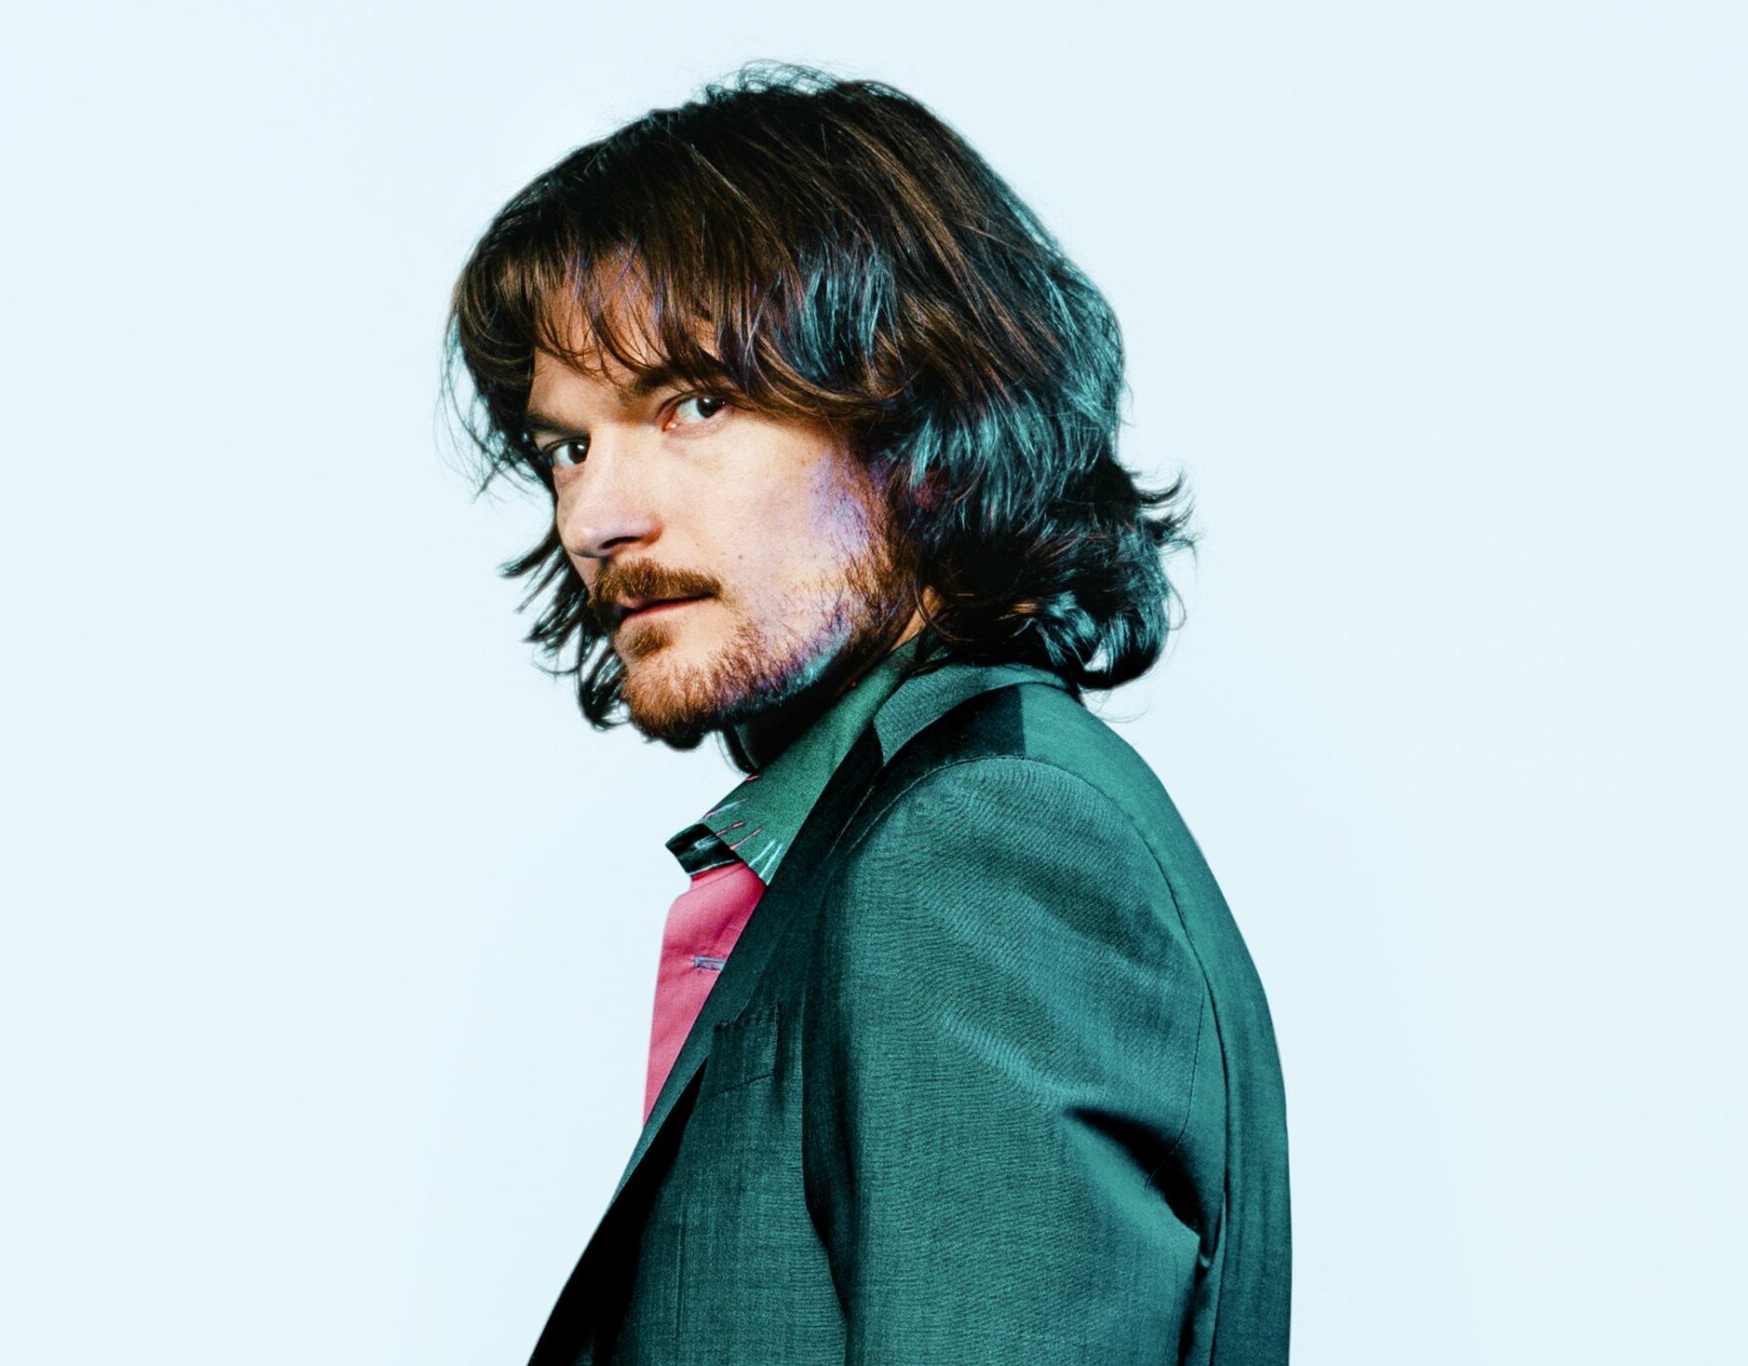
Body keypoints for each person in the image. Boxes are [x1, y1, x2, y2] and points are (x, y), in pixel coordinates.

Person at [444, 64, 1290, 1366]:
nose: (595, 517)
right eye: (569, 446)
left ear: (923, 420)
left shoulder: (985, 849)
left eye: (694, 403)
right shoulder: (887, 841)